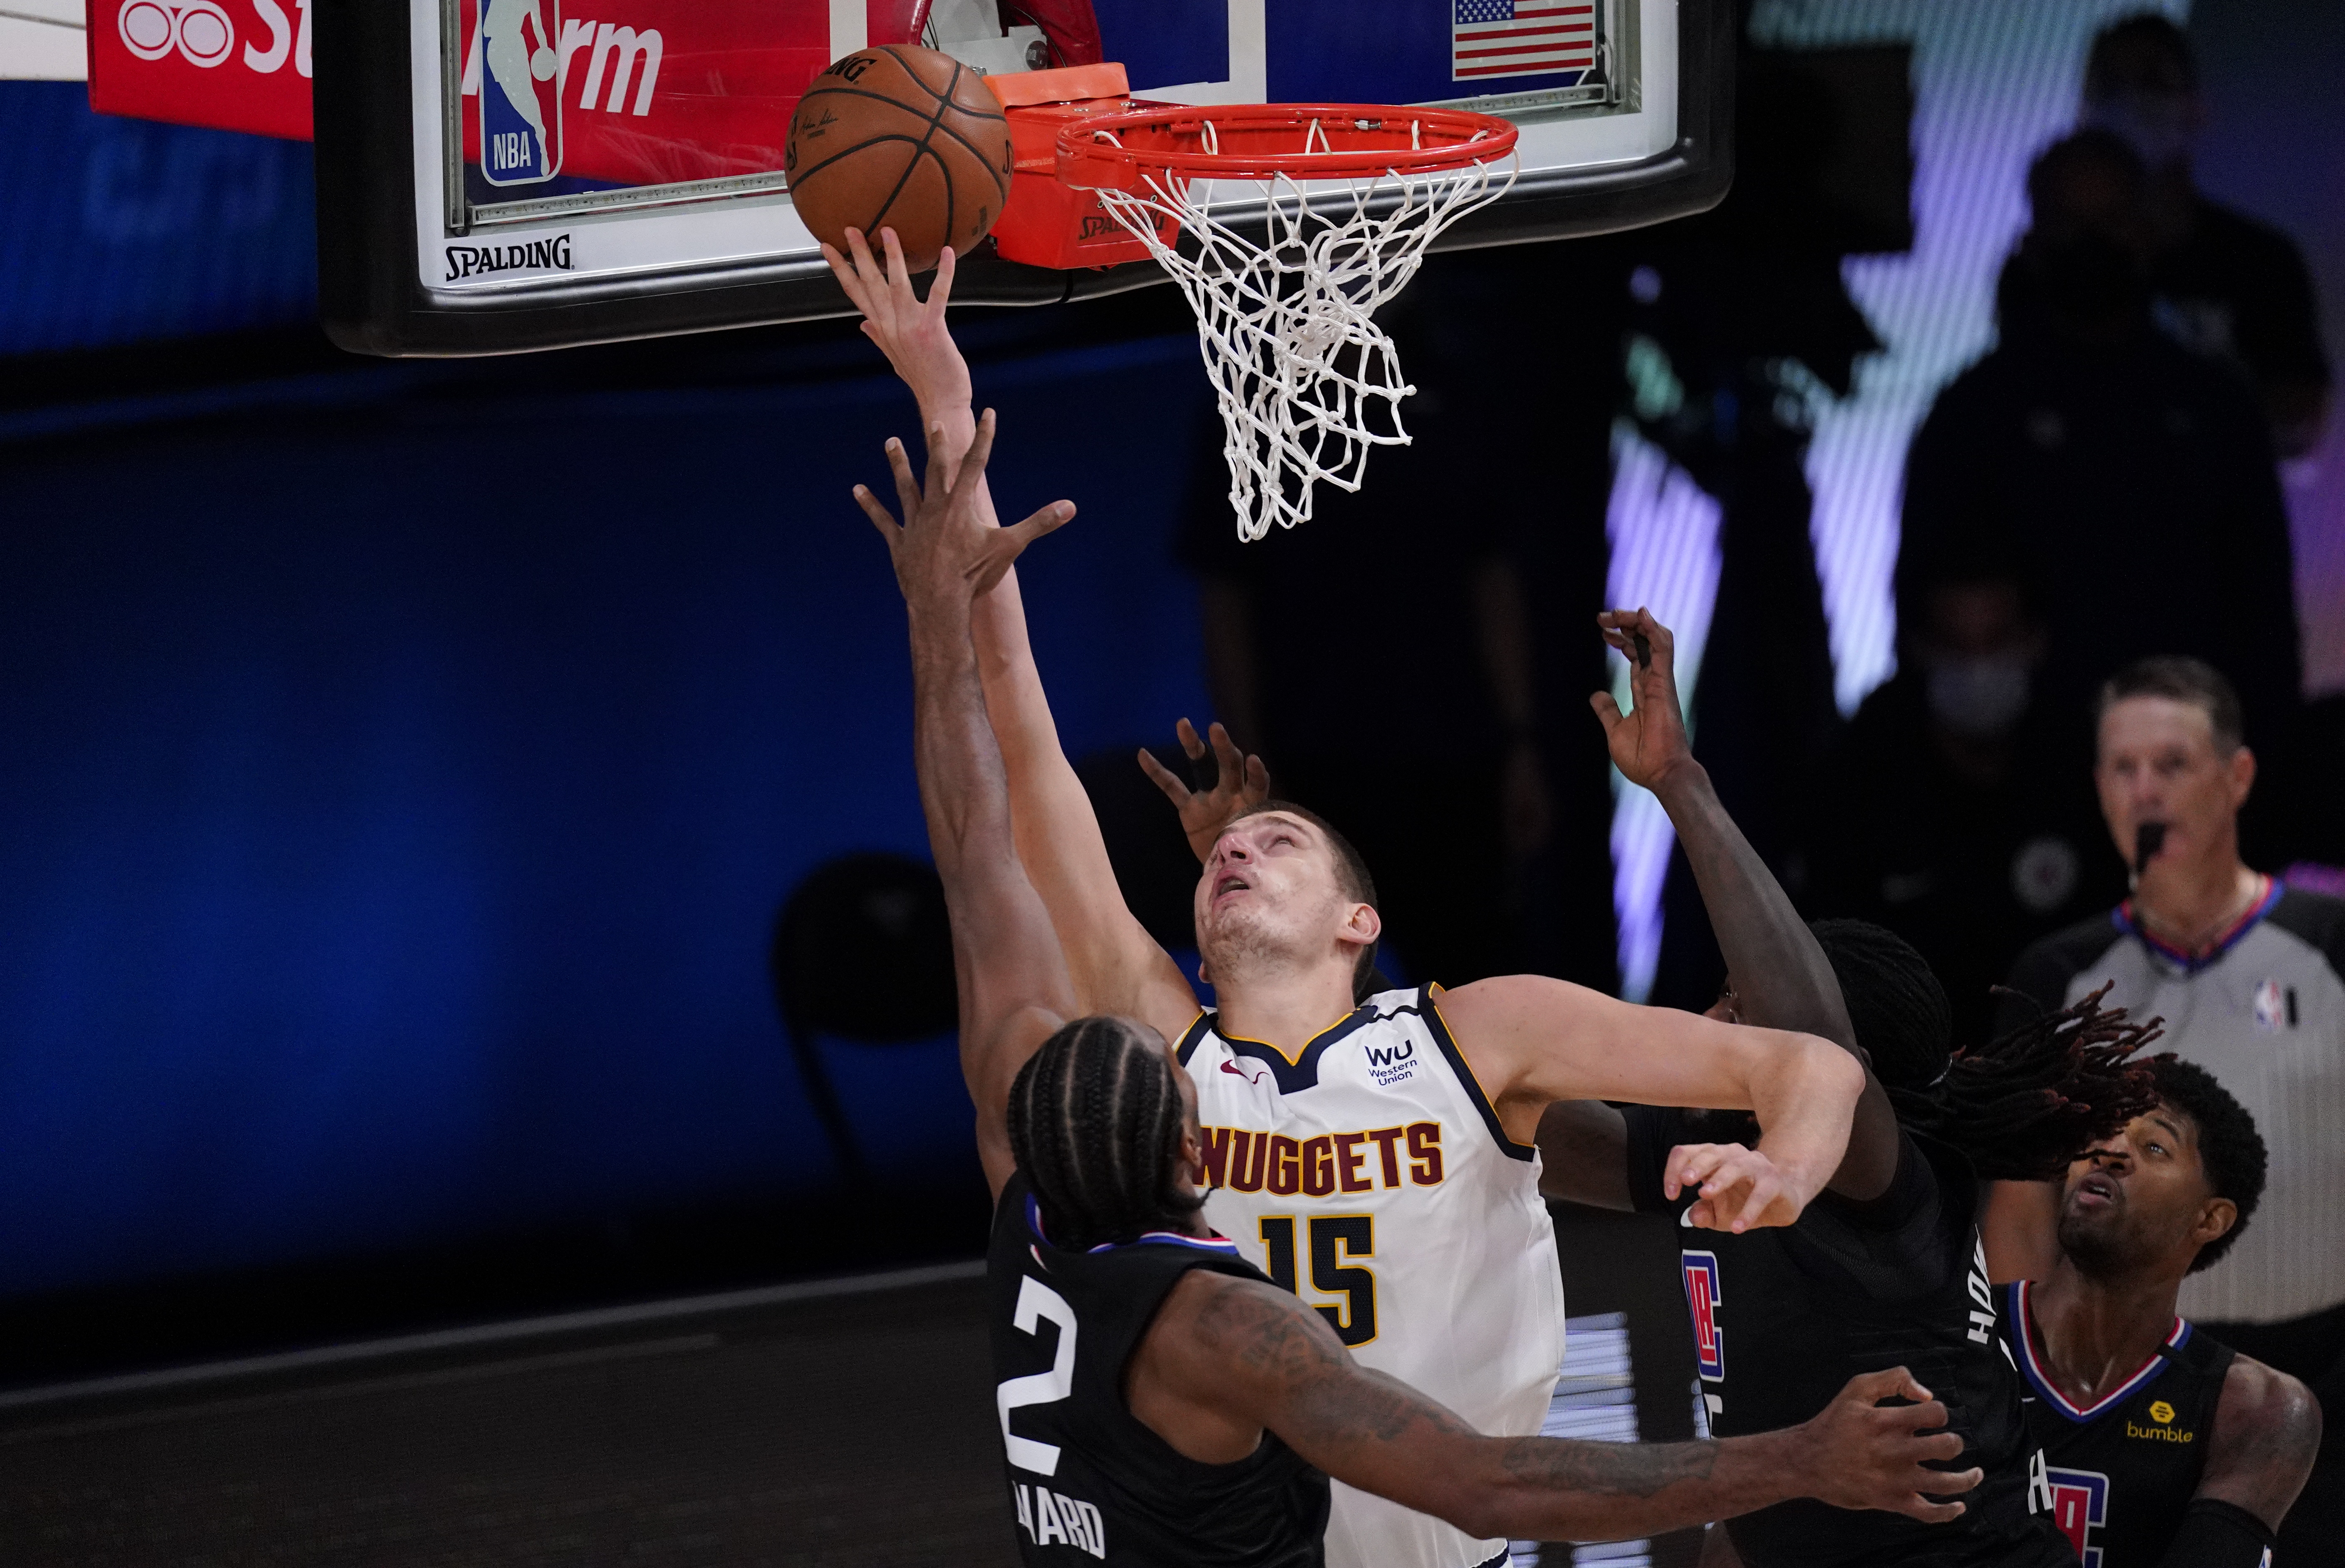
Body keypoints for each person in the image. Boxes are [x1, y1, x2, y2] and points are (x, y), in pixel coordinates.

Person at [823, 229, 1874, 1568]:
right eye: (1224, 849)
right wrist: (941, 390)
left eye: (1278, 840)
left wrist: (1782, 1162)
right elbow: (1016, 734)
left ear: (1358, 920)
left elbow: (1804, 1061)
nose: (1237, 849)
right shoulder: (1163, 1041)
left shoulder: (1477, 1031)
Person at [1537, 609, 2154, 1568]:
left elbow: (1814, 1047)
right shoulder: (1710, 1148)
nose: (1706, 1021)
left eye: (1735, 1003)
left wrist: (1681, 785)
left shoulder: (1884, 1178)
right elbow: (1529, 1126)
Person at [1997, 654, 2345, 1559]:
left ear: (2236, 778)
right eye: (2123, 768)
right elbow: (2018, 1210)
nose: (2145, 791)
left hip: (2330, 1370)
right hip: (2128, 1379)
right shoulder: (2057, 976)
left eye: (2172, 764)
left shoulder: (2329, 941)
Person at [1899, 131, 2301, 749]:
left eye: (2110, 220)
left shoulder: (2216, 406)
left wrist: (2266, 761)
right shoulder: (1974, 414)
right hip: (2024, 775)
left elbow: (2265, 611)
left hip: (2191, 762)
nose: (2090, 246)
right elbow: (1925, 616)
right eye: (2069, 222)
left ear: (2144, 233)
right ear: (2033, 241)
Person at [1980, 1056, 2319, 1567]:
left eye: (2153, 1146)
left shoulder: (2257, 1410)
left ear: (2208, 1218)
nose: (2110, 1151)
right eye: (2103, 1131)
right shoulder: (1959, 1324)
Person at [1805, 555, 2121, 1045]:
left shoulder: (2088, 765)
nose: (1977, 669)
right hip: (1906, 1079)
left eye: (1995, 643)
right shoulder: (1862, 778)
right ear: (1919, 649)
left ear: (2034, 642)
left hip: (2067, 1067)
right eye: (1956, 648)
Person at [2082, 13, 2332, 458]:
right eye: (2112, 88)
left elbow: (2301, 415)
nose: (2133, 102)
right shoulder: (2052, 262)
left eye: (2152, 81)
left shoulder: (2259, 261)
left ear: (2195, 106)